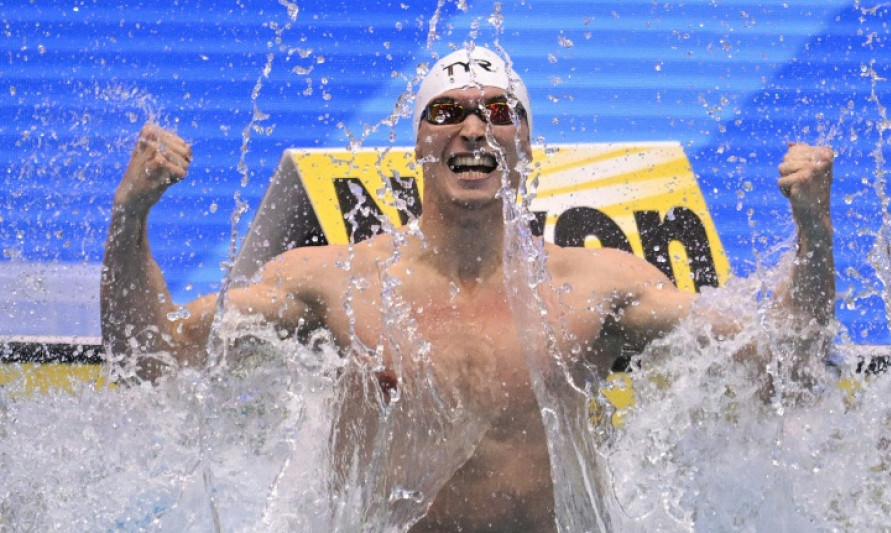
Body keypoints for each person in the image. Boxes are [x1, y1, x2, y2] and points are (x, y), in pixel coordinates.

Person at [101, 46, 835, 530]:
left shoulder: (593, 285)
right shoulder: (339, 282)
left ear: (525, 145)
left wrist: (814, 233)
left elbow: (783, 366)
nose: (474, 128)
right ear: (417, 142)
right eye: (448, 112)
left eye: (499, 112)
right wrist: (129, 217)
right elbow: (153, 353)